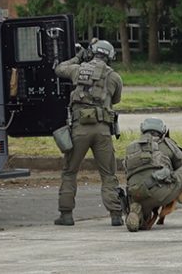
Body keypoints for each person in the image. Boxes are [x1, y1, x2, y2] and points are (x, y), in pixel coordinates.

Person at [53, 39, 124, 227]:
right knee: (108, 174)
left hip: (79, 129)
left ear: (92, 52)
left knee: (69, 172)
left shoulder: (78, 69)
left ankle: (66, 215)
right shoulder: (114, 77)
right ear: (110, 57)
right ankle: (116, 214)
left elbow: (59, 68)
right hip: (102, 130)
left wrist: (78, 57)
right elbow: (115, 100)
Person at [123, 117, 182, 232]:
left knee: (143, 205)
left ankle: (140, 216)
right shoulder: (167, 144)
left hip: (137, 194)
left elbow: (128, 173)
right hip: (160, 192)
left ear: (142, 130)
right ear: (163, 131)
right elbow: (180, 167)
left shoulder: (130, 147)